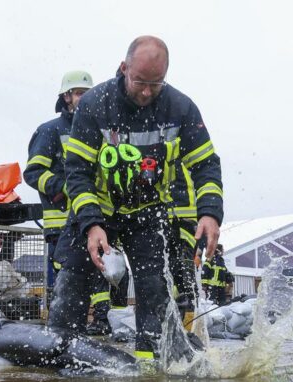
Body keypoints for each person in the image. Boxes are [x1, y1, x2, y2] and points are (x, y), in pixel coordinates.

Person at [48, 36, 223, 360]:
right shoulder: (95, 104)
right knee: (72, 282)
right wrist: (91, 224)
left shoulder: (181, 108)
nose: (145, 92)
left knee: (153, 287)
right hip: (98, 208)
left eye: (155, 84)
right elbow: (77, 171)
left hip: (148, 212)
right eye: (140, 81)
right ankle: (58, 362)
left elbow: (206, 165)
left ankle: (148, 370)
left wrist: (210, 212)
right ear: (123, 68)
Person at [23, 70, 114, 335]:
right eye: (78, 93)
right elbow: (33, 173)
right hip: (62, 222)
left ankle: (100, 323)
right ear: (66, 97)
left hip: (93, 219)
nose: (84, 99)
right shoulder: (50, 131)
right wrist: (65, 186)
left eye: (88, 94)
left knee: (100, 273)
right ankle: (63, 332)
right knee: (68, 279)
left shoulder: (98, 130)